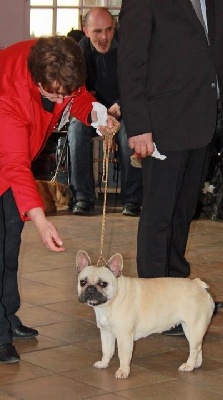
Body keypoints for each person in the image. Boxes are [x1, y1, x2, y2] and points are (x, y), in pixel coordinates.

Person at [117, 0, 223, 335]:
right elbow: (130, 61)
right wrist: (138, 124)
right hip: (162, 122)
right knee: (160, 215)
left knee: (182, 211)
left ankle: (177, 297)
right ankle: (155, 305)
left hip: (203, 120)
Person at [0, 36, 119, 363]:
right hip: (5, 153)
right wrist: (40, 219)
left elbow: (77, 98)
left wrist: (97, 117)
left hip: (12, 158)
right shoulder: (9, 90)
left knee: (10, 244)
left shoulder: (60, 60)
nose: (62, 99)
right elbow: (13, 162)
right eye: (55, 94)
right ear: (38, 82)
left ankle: (7, 317)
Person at [67, 7, 143, 216]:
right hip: (93, 110)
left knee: (132, 133)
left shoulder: (128, 48)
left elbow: (138, 84)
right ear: (86, 31)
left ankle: (132, 199)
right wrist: (99, 112)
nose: (104, 37)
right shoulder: (78, 53)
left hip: (124, 108)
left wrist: (120, 105)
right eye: (98, 31)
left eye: (109, 30)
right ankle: (83, 196)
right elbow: (77, 90)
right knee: (75, 130)